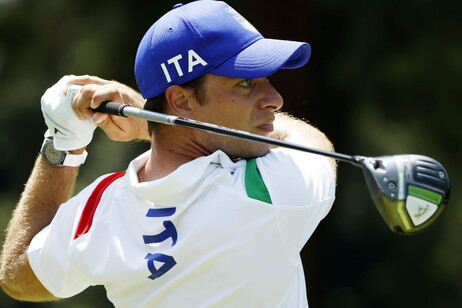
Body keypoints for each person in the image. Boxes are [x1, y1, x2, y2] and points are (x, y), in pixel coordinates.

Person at [0, 1, 336, 307]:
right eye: (244, 83)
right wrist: (146, 126)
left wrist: (64, 142)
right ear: (182, 102)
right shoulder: (267, 192)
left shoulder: (101, 207)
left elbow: (17, 276)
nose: (274, 98)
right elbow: (314, 143)